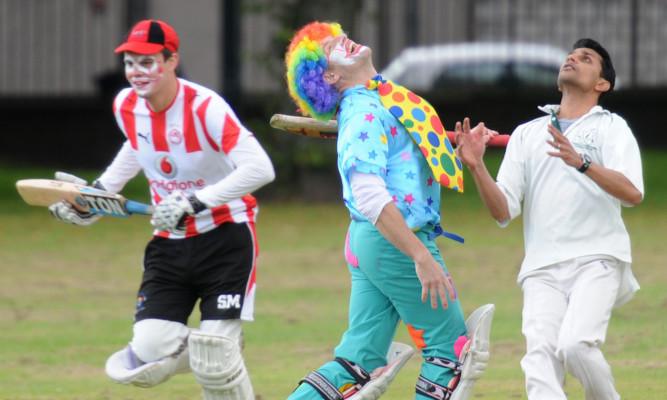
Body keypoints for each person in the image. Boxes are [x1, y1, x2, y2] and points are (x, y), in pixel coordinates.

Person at [48, 19, 275, 400]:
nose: (137, 72)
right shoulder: (126, 105)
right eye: (130, 63)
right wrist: (95, 198)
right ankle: (217, 351)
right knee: (150, 350)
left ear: (172, 61)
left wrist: (195, 201)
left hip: (226, 237)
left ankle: (218, 353)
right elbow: (138, 145)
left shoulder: (206, 108)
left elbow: (260, 169)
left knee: (215, 365)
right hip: (169, 243)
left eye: (147, 62)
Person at [283, 21, 495, 400]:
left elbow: (405, 168)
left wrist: (462, 153)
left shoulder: (383, 101)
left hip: (372, 242)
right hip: (393, 241)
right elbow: (369, 195)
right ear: (329, 75)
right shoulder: (363, 113)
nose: (343, 38)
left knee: (357, 364)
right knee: (452, 354)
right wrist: (420, 256)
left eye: (337, 34)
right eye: (332, 45)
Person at [455, 38, 643, 400]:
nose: (572, 58)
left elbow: (633, 193)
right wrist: (477, 166)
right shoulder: (527, 133)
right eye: (570, 56)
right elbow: (503, 210)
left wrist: (583, 163)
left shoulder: (610, 127)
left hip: (598, 257)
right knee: (539, 363)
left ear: (602, 84)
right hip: (541, 268)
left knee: (575, 346)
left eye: (585, 58)